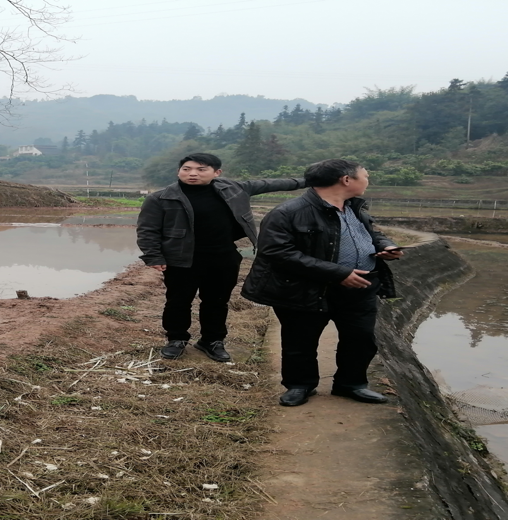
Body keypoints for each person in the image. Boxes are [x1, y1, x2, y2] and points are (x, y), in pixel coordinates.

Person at [240, 159, 405, 407]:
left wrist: (386, 246)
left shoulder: (354, 207)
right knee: (300, 341)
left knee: (360, 338)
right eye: (365, 176)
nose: (367, 181)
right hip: (305, 289)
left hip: (360, 287)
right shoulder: (287, 213)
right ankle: (300, 385)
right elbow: (277, 252)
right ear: (346, 180)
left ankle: (351, 383)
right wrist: (337, 273)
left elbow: (371, 234)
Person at [136, 153, 305, 362]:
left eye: (201, 169)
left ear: (217, 172)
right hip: (181, 259)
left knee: (217, 302)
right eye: (187, 169)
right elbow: (147, 230)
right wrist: (153, 256)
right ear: (179, 171)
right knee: (178, 301)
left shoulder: (234, 189)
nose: (192, 174)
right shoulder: (160, 198)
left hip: (223, 257)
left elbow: (270, 184)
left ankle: (212, 340)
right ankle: (176, 339)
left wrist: (310, 181)